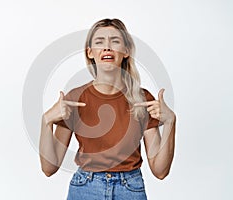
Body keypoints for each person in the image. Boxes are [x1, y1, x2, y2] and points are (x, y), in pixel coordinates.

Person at [39, 18, 176, 200]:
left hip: (130, 189)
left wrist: (170, 122)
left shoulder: (143, 100)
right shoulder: (74, 99)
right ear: (90, 52)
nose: (107, 47)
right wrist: (46, 120)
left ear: (126, 51)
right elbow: (49, 168)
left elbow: (160, 171)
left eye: (115, 41)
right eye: (99, 42)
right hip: (85, 188)